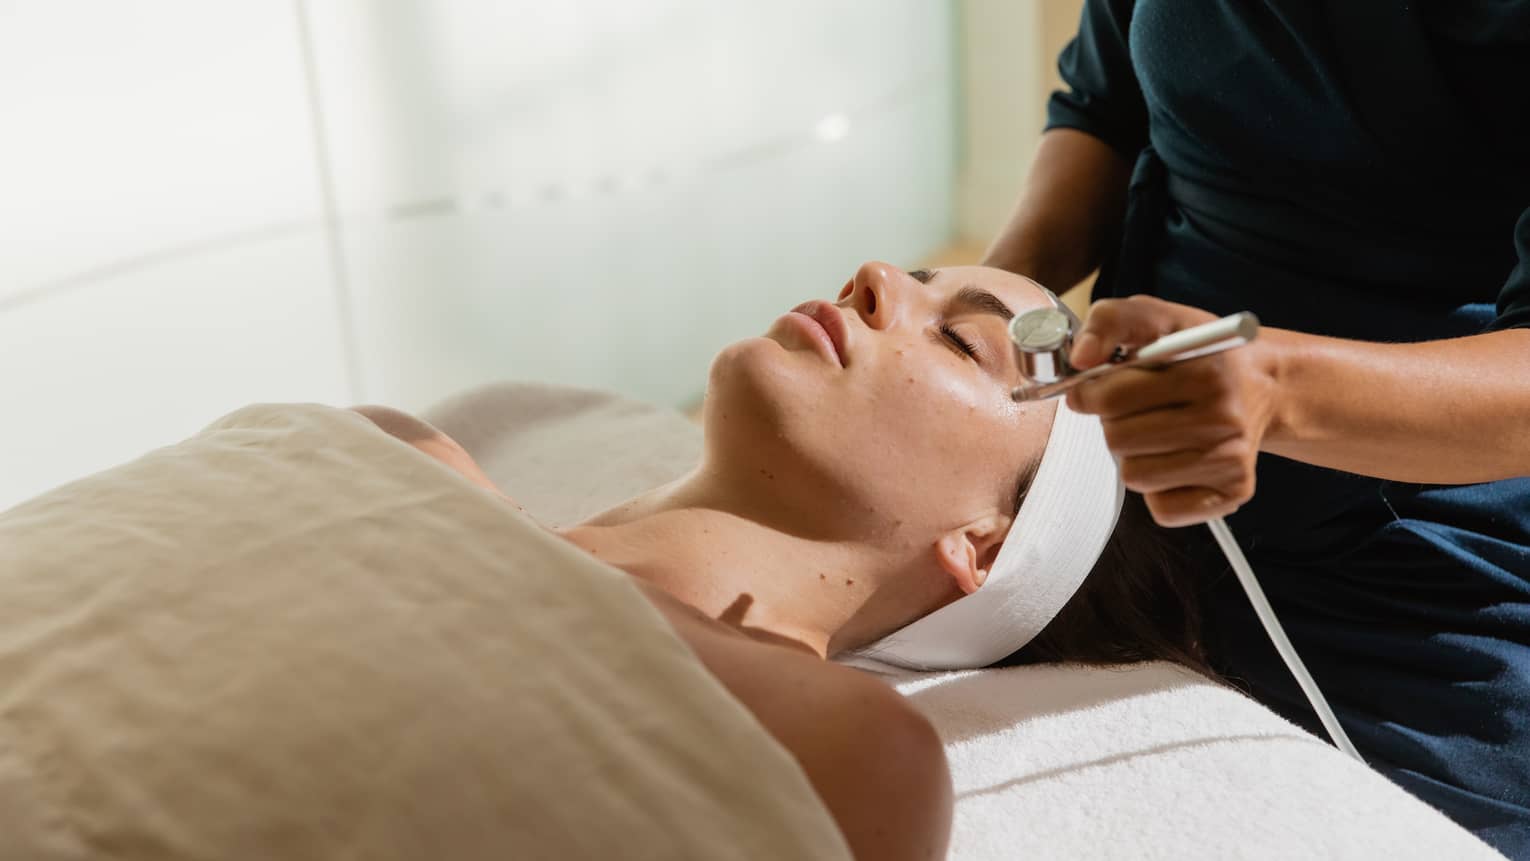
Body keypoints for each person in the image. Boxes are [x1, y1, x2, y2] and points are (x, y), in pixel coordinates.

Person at [358, 260, 1209, 859]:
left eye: (958, 338)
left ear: (982, 543)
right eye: (915, 277)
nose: (874, 276)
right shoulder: (391, 453)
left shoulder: (840, 756)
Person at [982, 1, 1530, 853]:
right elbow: (1103, 109)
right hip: (1126, 503)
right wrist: (985, 307)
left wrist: (1274, 390)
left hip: (1418, 550)